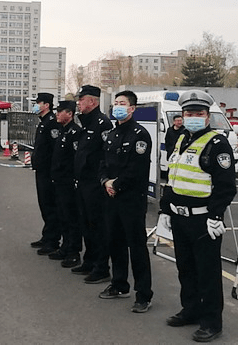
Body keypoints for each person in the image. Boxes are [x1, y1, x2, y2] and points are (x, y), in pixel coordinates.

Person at [159, 90, 236, 342]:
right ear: (182, 115)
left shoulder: (217, 143)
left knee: (208, 274)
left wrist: (215, 216)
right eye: (189, 113)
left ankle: (212, 322)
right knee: (186, 269)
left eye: (198, 114)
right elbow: (173, 177)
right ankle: (190, 310)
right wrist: (165, 209)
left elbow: (226, 186)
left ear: (207, 116)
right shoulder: (181, 139)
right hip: (180, 218)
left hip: (204, 220)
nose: (193, 117)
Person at [98, 90, 153, 313]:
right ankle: (119, 284)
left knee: (137, 247)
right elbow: (102, 162)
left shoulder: (140, 135)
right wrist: (105, 182)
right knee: (115, 242)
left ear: (132, 108)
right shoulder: (111, 134)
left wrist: (116, 184)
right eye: (115, 103)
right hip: (111, 197)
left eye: (122, 103)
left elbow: (137, 170)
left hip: (131, 199)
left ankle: (143, 295)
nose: (117, 106)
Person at [73, 85, 113, 284]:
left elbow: (105, 156)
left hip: (95, 184)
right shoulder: (86, 122)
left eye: (82, 100)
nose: (79, 103)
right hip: (83, 182)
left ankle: (101, 267)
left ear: (93, 102)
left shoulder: (102, 123)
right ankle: (89, 261)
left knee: (98, 226)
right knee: (85, 224)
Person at [49, 100, 82, 268]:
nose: (57, 114)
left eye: (60, 111)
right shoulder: (63, 131)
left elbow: (75, 159)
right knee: (62, 215)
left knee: (71, 217)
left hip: (68, 182)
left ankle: (73, 251)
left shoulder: (75, 132)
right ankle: (65, 246)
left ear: (69, 114)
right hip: (59, 181)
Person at [30, 92, 61, 256]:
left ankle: (52, 240)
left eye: (38, 102)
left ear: (46, 105)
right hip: (41, 170)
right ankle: (47, 235)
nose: (36, 105)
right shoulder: (43, 122)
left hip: (49, 172)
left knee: (50, 205)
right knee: (44, 204)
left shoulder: (52, 123)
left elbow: (54, 150)